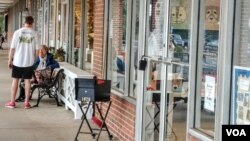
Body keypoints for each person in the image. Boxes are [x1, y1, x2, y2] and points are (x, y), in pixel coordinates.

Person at [6, 16, 39, 109]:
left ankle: (12, 102)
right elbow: (37, 51)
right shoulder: (35, 33)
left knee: (15, 80)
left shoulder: (17, 32)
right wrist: (34, 60)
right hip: (29, 62)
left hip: (17, 61)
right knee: (28, 81)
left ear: (24, 22)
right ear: (32, 23)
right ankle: (26, 103)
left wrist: (10, 59)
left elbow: (12, 48)